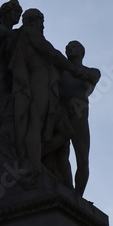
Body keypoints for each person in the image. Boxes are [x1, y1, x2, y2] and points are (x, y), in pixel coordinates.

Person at [9, 9, 87, 179]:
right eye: (41, 21)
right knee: (36, 123)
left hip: (46, 86)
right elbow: (50, 52)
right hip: (39, 84)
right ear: (36, 20)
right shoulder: (30, 32)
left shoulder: (28, 34)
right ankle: (33, 165)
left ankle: (37, 158)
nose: (42, 25)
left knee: (65, 130)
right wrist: (73, 69)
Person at [56, 41, 100, 196]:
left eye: (73, 46)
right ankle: (67, 188)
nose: (69, 49)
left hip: (79, 113)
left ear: (82, 51)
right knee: (61, 152)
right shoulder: (59, 71)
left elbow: (89, 79)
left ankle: (78, 196)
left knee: (82, 159)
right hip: (61, 112)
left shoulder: (92, 71)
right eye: (67, 47)